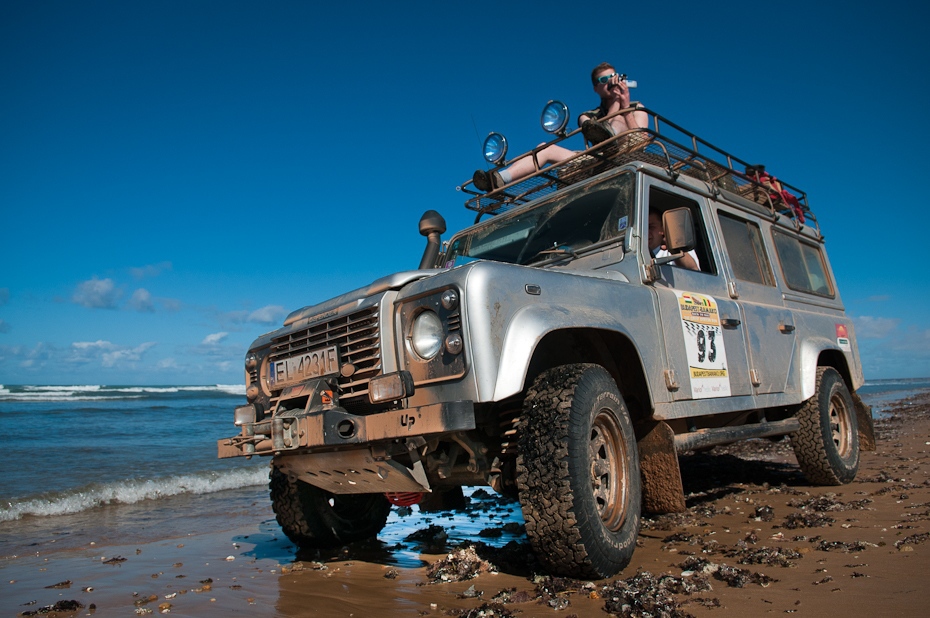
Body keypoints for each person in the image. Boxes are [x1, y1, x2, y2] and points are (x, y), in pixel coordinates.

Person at [472, 62, 649, 192]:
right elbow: (596, 138)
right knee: (544, 148)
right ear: (596, 88)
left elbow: (642, 141)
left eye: (613, 77)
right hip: (597, 157)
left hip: (628, 151)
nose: (610, 82)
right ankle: (499, 179)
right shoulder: (588, 116)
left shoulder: (635, 108)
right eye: (604, 79)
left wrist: (624, 106)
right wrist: (616, 103)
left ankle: (610, 135)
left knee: (620, 122)